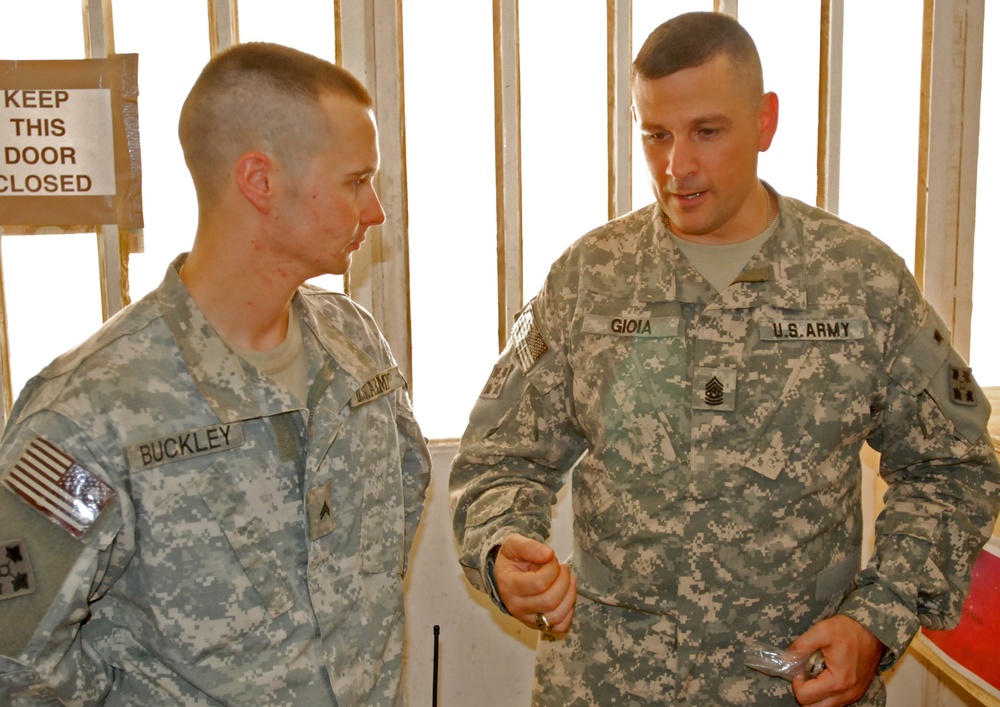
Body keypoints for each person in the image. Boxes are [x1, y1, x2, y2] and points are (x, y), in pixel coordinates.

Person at [450, 11, 1000, 706]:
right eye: (655, 134)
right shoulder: (590, 279)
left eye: (707, 132)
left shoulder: (859, 281)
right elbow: (499, 459)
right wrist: (503, 551)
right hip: (612, 687)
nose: (676, 167)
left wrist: (876, 620)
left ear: (765, 121)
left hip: (792, 686)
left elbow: (952, 467)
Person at [0, 42, 430, 705]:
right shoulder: (90, 411)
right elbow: (15, 660)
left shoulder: (356, 347)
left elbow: (399, 506)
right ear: (259, 180)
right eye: (354, 180)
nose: (374, 211)